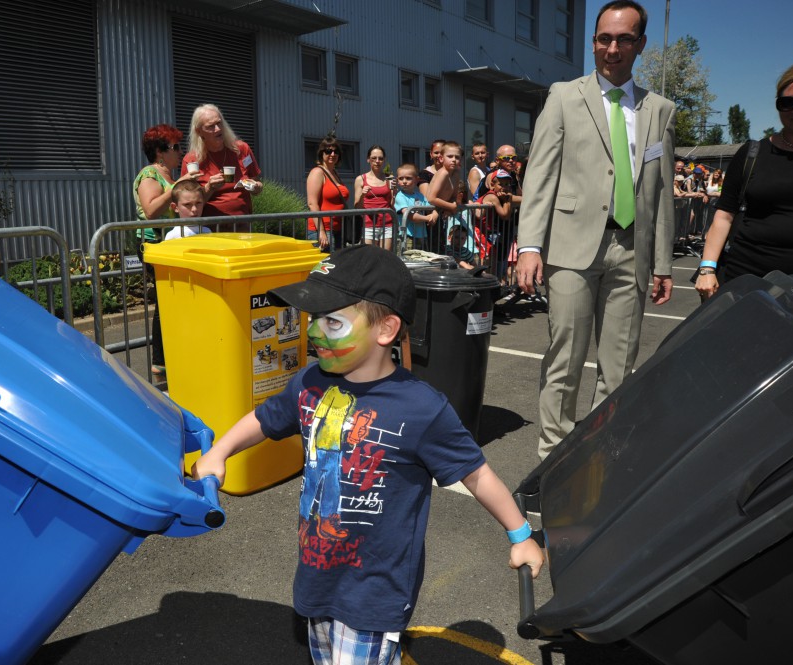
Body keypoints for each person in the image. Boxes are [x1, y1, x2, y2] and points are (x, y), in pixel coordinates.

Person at [191, 244, 543, 665]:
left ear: (386, 329)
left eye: (332, 321)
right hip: (317, 572)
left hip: (375, 588)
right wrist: (221, 451)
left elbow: (476, 474)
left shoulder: (421, 408)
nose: (314, 333)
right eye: (313, 320)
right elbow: (266, 419)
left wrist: (520, 535)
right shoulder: (309, 383)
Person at [516, 0, 675, 460]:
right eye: (604, 38)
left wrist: (663, 261)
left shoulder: (658, 109)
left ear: (640, 44)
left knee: (619, 367)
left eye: (624, 39)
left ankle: (601, 461)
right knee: (564, 360)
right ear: (593, 42)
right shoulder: (565, 96)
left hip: (632, 248)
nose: (612, 48)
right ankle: (552, 464)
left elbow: (660, 189)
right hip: (571, 247)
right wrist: (530, 246)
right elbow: (540, 174)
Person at [695, 63, 793, 299]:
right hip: (746, 278)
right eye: (787, 102)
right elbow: (724, 215)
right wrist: (707, 268)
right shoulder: (752, 153)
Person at [135, 123, 199, 376]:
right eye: (175, 147)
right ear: (160, 152)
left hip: (172, 243)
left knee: (176, 299)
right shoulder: (149, 175)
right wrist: (177, 185)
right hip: (155, 244)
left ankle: (175, 351)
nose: (180, 152)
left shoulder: (171, 176)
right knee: (166, 301)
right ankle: (159, 359)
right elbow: (150, 211)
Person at [181, 104, 262, 228]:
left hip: (241, 225)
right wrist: (209, 188)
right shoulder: (192, 160)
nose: (218, 129)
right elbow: (188, 202)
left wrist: (256, 187)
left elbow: (257, 183)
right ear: (199, 131)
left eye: (219, 123)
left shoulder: (241, 149)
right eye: (211, 126)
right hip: (209, 229)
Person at [306, 137, 350, 251]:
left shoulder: (335, 173)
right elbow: (312, 204)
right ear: (322, 153)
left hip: (338, 229)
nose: (332, 154)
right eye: (328, 151)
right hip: (323, 231)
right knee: (326, 267)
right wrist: (321, 232)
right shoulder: (317, 172)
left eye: (336, 151)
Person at [425, 141, 465, 254]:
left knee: (440, 247)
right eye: (450, 156)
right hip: (430, 212)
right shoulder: (443, 173)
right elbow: (431, 198)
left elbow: (453, 196)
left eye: (457, 157)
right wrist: (451, 207)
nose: (454, 159)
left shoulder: (456, 172)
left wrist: (449, 208)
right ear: (441, 158)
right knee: (432, 249)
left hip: (441, 211)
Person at [353, 146, 395, 250]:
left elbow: (391, 204)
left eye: (380, 158)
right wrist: (363, 195)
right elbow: (357, 206)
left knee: (385, 257)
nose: (377, 161)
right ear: (368, 159)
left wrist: (395, 193)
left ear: (384, 160)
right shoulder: (361, 179)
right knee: (370, 257)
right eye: (374, 158)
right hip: (368, 225)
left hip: (387, 224)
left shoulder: (389, 178)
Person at [393, 163, 437, 250]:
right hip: (407, 236)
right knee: (407, 260)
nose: (404, 181)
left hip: (421, 235)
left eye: (408, 178)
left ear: (417, 180)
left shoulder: (420, 195)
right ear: (397, 180)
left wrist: (434, 215)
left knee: (421, 260)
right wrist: (428, 218)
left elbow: (431, 209)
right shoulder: (400, 196)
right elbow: (410, 216)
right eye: (401, 178)